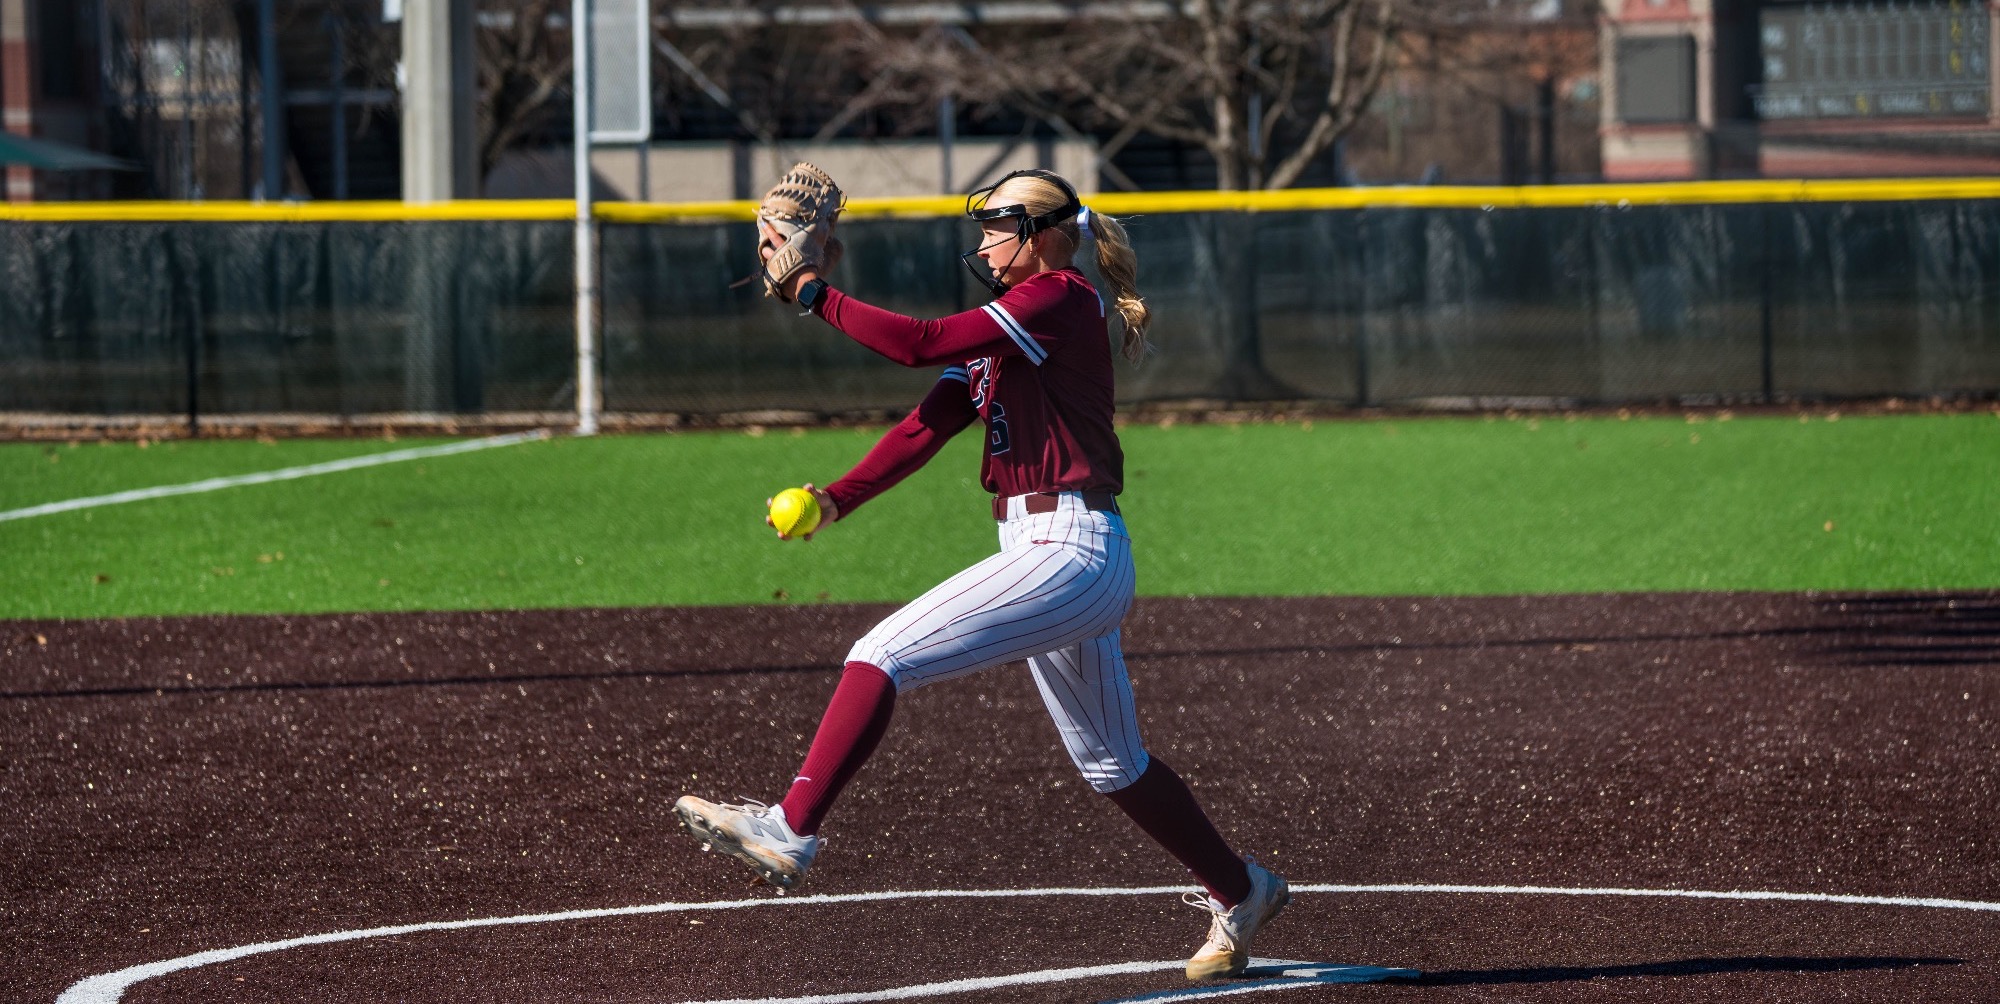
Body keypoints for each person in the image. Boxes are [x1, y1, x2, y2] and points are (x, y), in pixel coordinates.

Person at [674, 169, 1288, 981]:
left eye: (998, 228)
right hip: (1048, 550)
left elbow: (916, 342)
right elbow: (926, 424)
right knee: (1113, 764)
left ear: (1040, 235)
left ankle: (791, 827)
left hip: (1069, 548)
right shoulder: (1009, 328)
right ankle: (1242, 890)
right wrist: (834, 499)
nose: (986, 245)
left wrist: (814, 290)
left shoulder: (1059, 297)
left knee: (880, 653)